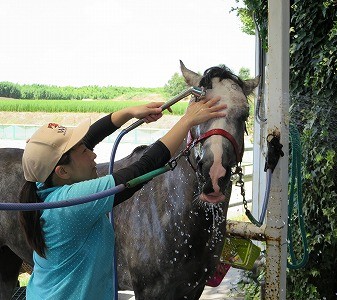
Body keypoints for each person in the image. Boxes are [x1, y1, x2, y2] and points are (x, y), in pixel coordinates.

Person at [19, 96, 226, 300]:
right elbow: (143, 168)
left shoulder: (43, 183)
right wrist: (187, 120)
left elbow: (90, 137)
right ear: (62, 171)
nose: (93, 155)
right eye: (84, 151)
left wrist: (129, 112)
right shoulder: (71, 203)